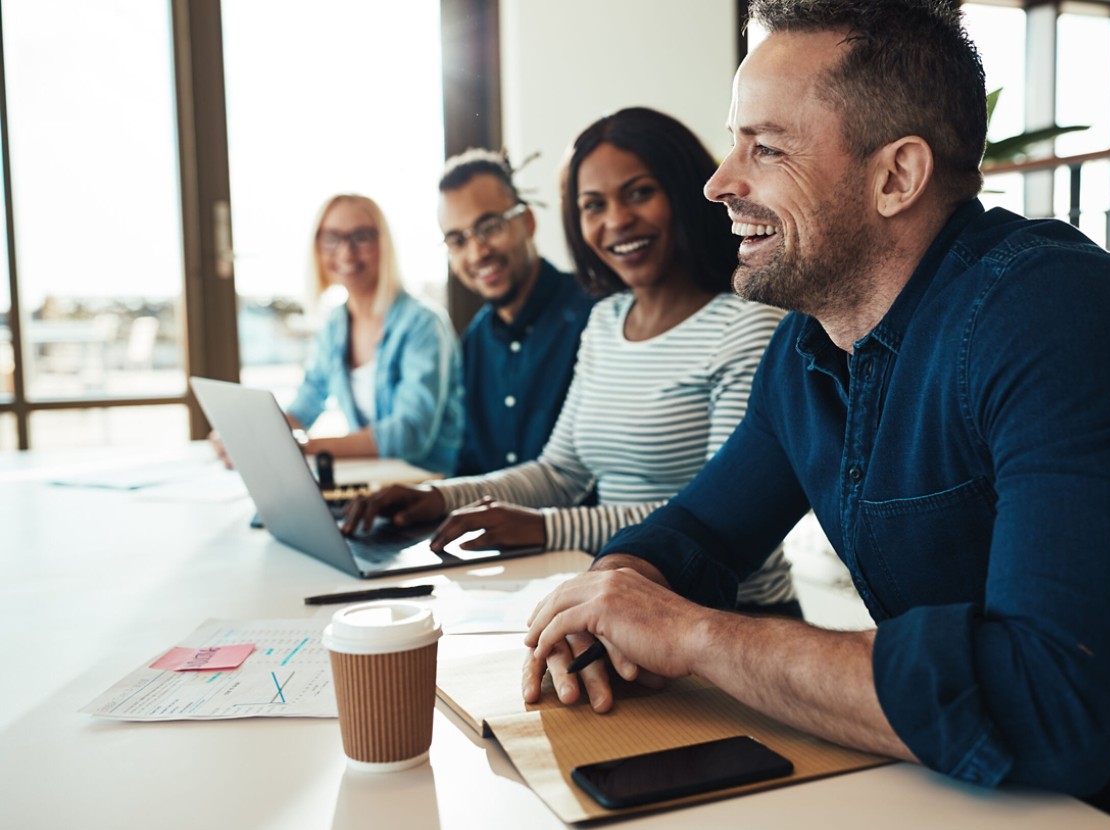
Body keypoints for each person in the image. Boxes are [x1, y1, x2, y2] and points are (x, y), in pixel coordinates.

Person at [521, 2, 1110, 830]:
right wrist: (605, 604)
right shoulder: (808, 347)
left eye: (765, 148)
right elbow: (696, 533)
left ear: (896, 177)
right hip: (967, 803)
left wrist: (692, 634)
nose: (720, 181)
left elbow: (1049, 704)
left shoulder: (1059, 318)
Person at [345, 107, 798, 616]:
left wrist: (543, 528)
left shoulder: (746, 326)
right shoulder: (605, 321)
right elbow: (561, 471)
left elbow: (719, 514)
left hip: (729, 618)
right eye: (592, 205)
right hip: (621, 599)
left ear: (684, 192)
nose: (615, 221)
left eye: (639, 193)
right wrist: (438, 497)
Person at [275, 194, 463, 474]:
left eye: (361, 237)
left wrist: (303, 448)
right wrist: (257, 437)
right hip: (374, 481)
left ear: (383, 244)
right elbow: (307, 401)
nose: (346, 253)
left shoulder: (423, 323)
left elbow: (409, 434)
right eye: (332, 238)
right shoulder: (334, 325)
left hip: (428, 487)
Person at [438, 149, 596, 476]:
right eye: (457, 241)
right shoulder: (474, 342)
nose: (477, 252)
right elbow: (470, 465)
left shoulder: (595, 316)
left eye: (490, 227)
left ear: (527, 222)